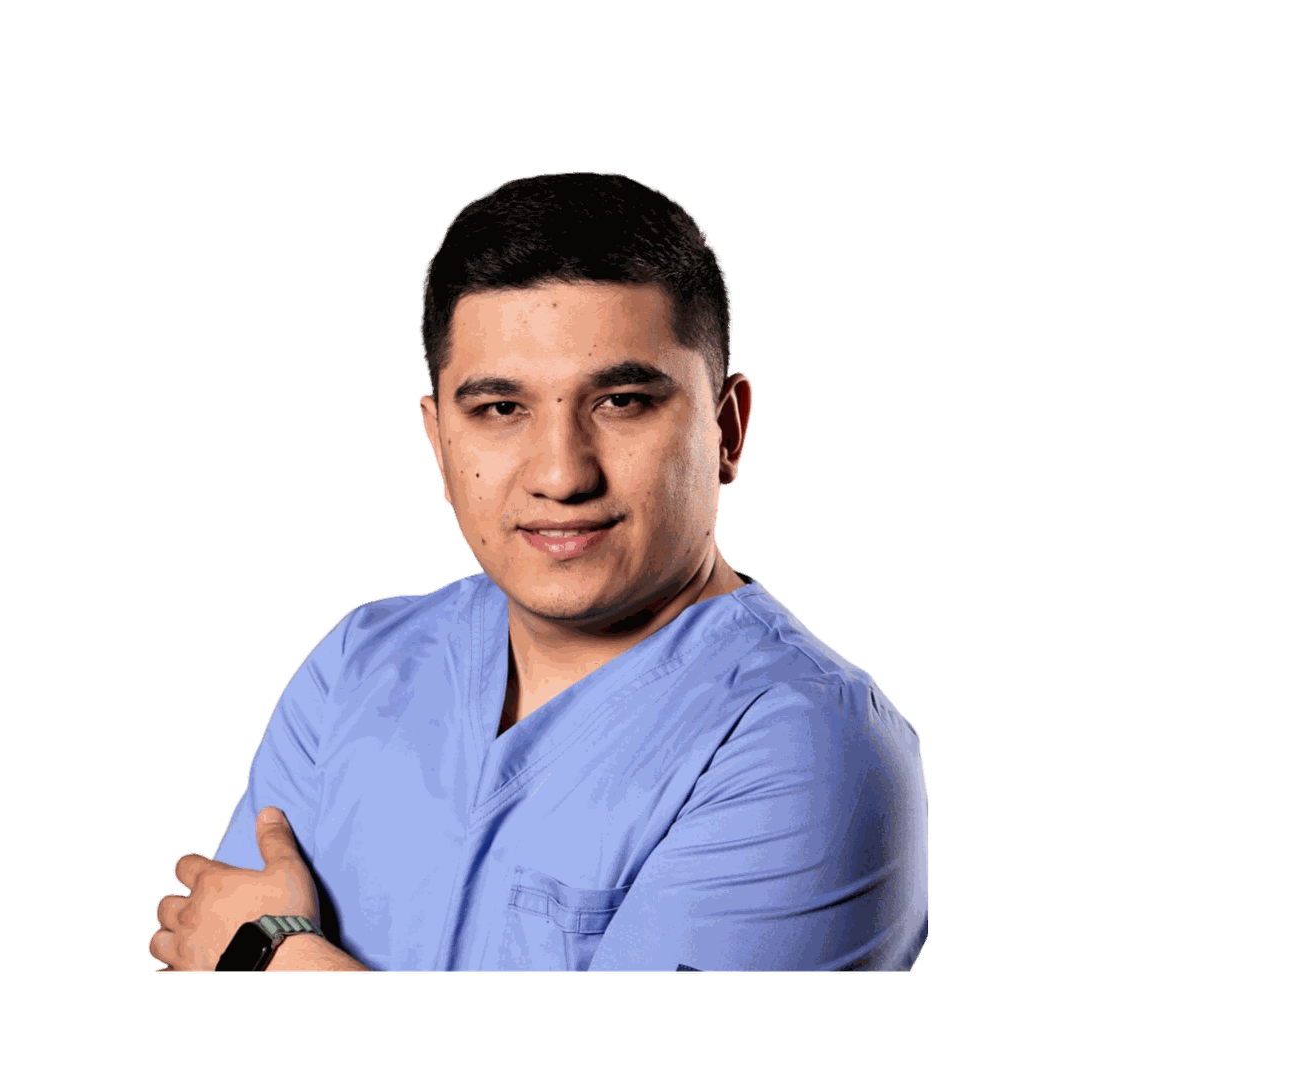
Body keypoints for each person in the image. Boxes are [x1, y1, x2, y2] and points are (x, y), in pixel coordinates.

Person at [205, 172, 929, 972]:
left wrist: (277, 957)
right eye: (500, 409)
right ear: (438, 443)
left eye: (622, 401)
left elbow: (228, 947)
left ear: (728, 430)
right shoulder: (357, 663)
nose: (561, 474)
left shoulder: (814, 746)